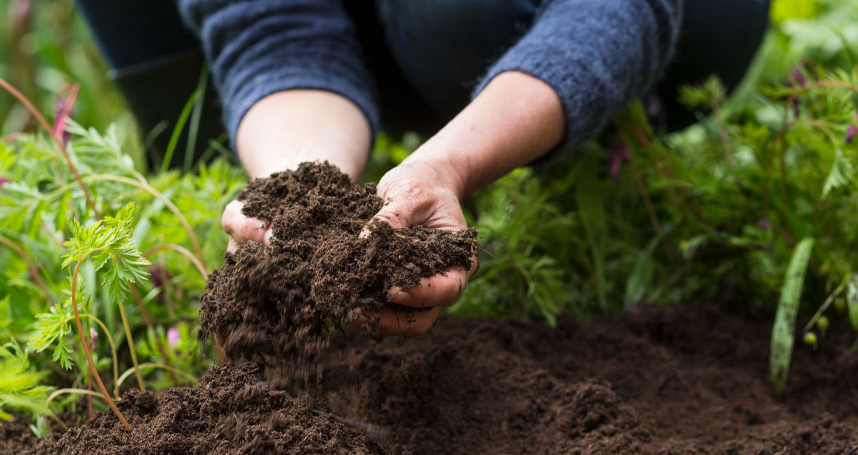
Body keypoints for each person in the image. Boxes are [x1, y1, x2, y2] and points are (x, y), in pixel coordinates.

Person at [76, 0, 770, 336]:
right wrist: (302, 198)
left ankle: (545, 118)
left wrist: (451, 162)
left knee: (447, 12)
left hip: (684, 23)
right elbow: (275, 31)